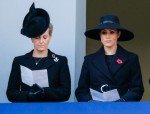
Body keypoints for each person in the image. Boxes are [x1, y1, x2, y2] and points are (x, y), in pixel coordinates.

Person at [6, 3, 71, 102]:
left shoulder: (60, 61)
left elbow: (65, 92)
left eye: (45, 37)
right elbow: (11, 93)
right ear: (32, 39)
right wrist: (28, 95)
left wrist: (44, 92)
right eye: (37, 37)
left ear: (50, 37)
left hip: (51, 110)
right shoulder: (19, 61)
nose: (41, 41)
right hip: (26, 110)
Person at [75, 15, 144, 102]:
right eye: (104, 32)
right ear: (100, 35)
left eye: (112, 32)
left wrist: (122, 101)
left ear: (118, 34)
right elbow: (81, 91)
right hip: (96, 110)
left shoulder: (131, 58)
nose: (108, 36)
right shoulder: (89, 60)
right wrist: (90, 102)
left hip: (122, 109)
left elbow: (137, 89)